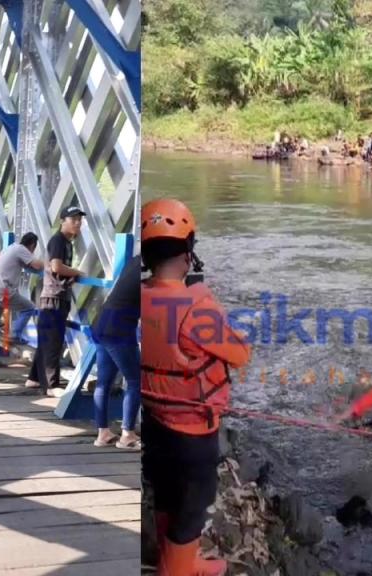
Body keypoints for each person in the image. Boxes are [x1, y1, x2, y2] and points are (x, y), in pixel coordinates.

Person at [140, 198, 251, 576]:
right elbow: (240, 354)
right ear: (188, 253)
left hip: (154, 419)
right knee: (191, 508)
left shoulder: (136, 296)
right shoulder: (197, 306)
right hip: (193, 429)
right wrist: (208, 300)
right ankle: (177, 569)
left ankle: (178, 561)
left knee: (166, 497)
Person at [28, 207, 85, 392]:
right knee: (53, 341)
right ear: (63, 221)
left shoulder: (66, 242)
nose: (77, 222)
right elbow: (56, 267)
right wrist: (77, 272)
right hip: (54, 297)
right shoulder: (58, 240)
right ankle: (51, 386)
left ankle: (34, 378)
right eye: (73, 219)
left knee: (47, 339)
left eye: (79, 219)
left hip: (55, 296)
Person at [91, 252, 142, 450]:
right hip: (119, 328)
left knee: (103, 382)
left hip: (101, 321)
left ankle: (102, 433)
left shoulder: (135, 259)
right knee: (136, 381)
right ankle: (127, 435)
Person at [0, 233, 45, 368]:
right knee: (29, 308)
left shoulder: (11, 248)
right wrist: (51, 264)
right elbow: (37, 265)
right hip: (3, 291)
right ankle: (14, 334)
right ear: (33, 246)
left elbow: (26, 266)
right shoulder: (21, 249)